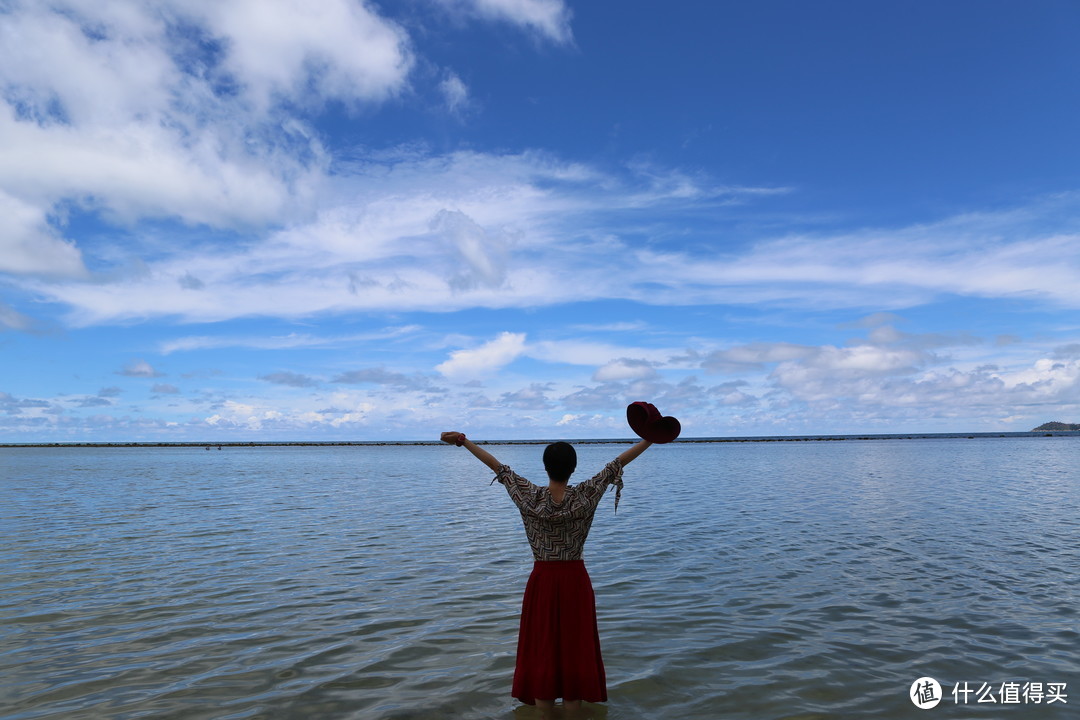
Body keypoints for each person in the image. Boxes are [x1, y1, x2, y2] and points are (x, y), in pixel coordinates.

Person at [440, 431, 653, 712]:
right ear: (573, 468)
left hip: (542, 580)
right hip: (575, 581)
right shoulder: (585, 495)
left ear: (545, 467)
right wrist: (650, 438)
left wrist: (463, 441)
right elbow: (617, 464)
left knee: (542, 649)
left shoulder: (530, 497)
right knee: (574, 650)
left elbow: (497, 467)